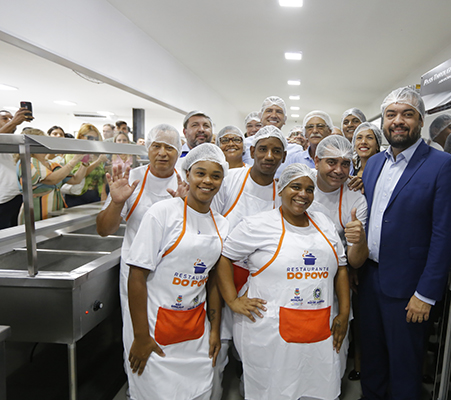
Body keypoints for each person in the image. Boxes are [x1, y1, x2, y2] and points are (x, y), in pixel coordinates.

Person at [359, 87, 451, 399]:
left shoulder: (442, 165)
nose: (398, 121)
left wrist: (426, 294)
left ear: (420, 121)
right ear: (383, 121)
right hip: (370, 278)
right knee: (372, 358)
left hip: (409, 287)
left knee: (405, 366)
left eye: (407, 114)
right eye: (391, 114)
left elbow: (446, 235)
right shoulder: (374, 164)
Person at [216, 163, 350, 400]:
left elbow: (340, 267)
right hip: (268, 329)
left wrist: (344, 313)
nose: (303, 194)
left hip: (318, 325)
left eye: (309, 189)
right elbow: (224, 257)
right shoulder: (258, 224)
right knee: (273, 388)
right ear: (281, 188)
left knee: (317, 385)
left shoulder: (323, 223)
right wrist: (232, 300)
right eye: (295, 187)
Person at [125, 143, 229, 400]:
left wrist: (214, 330)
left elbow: (213, 282)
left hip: (196, 332)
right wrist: (140, 337)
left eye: (215, 176)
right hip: (154, 331)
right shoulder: (162, 213)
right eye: (200, 173)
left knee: (198, 392)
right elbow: (137, 276)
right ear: (187, 175)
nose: (207, 181)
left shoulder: (221, 224)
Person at [96, 125, 185, 379]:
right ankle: (136, 388)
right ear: (148, 149)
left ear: (179, 152)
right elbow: (104, 230)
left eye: (170, 147)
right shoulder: (130, 178)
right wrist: (117, 202)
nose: (162, 153)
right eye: (157, 146)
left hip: (175, 275)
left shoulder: (186, 181)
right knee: (136, 335)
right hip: (137, 277)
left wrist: (185, 205)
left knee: (174, 339)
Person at [210, 125, 288, 399]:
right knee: (217, 348)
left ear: (284, 156)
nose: (269, 156)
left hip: (261, 285)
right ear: (252, 151)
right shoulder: (230, 180)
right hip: (223, 275)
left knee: (257, 353)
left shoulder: (283, 191)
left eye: (276, 151)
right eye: (263, 149)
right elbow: (210, 222)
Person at [309, 135, 369, 380]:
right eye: (331, 162)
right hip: (293, 277)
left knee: (331, 352)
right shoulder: (300, 184)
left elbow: (355, 261)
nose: (339, 170)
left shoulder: (355, 199)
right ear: (316, 161)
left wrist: (359, 240)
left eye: (345, 164)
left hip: (334, 284)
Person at [14, 128, 86, 221]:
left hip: (55, 213)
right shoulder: (27, 162)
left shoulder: (52, 164)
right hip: (35, 215)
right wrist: (74, 160)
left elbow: (76, 180)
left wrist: (85, 163)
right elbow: (52, 179)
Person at [0, 108, 33, 228]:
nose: (9, 120)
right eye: (5, 118)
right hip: (3, 199)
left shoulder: (15, 142)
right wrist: (14, 122)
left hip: (18, 197)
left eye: (11, 118)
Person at [63, 124, 107, 207]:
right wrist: (98, 162)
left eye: (96, 138)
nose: (93, 141)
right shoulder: (73, 154)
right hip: (77, 195)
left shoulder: (97, 154)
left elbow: (101, 178)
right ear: (80, 136)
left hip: (95, 195)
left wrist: (103, 193)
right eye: (90, 138)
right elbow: (77, 177)